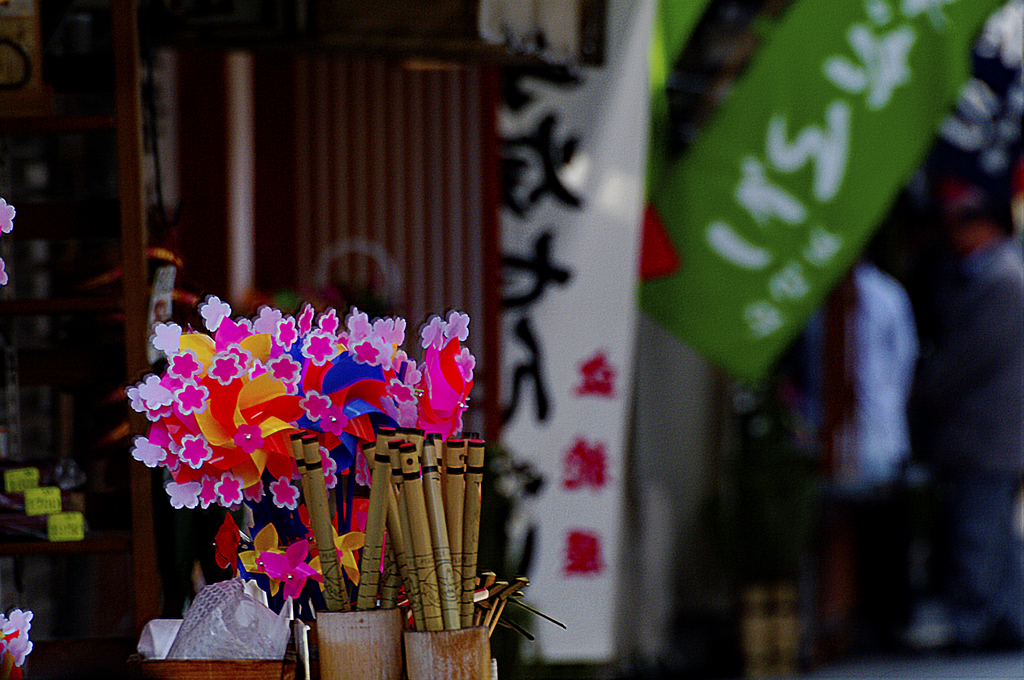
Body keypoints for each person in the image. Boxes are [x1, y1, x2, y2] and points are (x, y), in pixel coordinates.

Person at [910, 177, 1024, 651]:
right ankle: (1008, 619)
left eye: (960, 223)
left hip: (988, 431)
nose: (952, 234)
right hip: (991, 432)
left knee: (978, 531)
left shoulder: (1002, 280)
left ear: (985, 226)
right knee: (992, 531)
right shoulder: (997, 274)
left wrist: (927, 387)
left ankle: (975, 621)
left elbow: (966, 358)